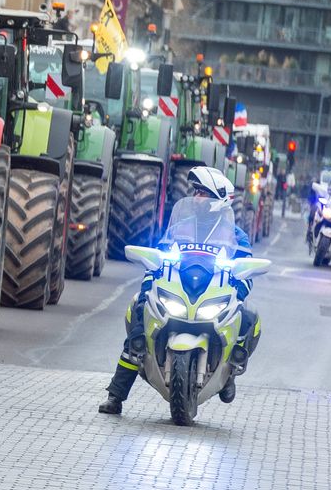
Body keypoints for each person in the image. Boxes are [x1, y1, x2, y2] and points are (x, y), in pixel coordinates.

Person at [98, 166, 261, 414]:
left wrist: (237, 291)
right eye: (195, 192)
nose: (196, 197)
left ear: (218, 200)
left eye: (202, 193)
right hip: (178, 287)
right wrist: (148, 286)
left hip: (214, 292)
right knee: (137, 314)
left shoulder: (237, 237)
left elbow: (246, 273)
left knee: (249, 318)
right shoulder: (180, 227)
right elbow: (159, 260)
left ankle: (230, 373)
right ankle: (116, 395)